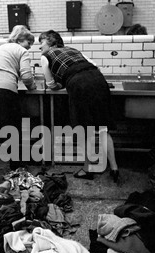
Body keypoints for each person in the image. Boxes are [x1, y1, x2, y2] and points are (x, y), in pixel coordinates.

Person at [38, 30, 119, 182]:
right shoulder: (74, 50)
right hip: (98, 80)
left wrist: (62, 83)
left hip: (79, 84)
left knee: (85, 130)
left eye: (41, 42)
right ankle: (114, 168)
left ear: (52, 43)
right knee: (102, 128)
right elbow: (94, 65)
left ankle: (88, 169)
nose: (39, 47)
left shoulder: (46, 56)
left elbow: (50, 85)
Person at [0, 25, 37, 174]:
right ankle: (14, 164)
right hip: (5, 89)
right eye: (29, 43)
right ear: (20, 39)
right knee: (11, 126)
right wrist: (32, 87)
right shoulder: (22, 51)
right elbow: (26, 76)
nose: (29, 47)